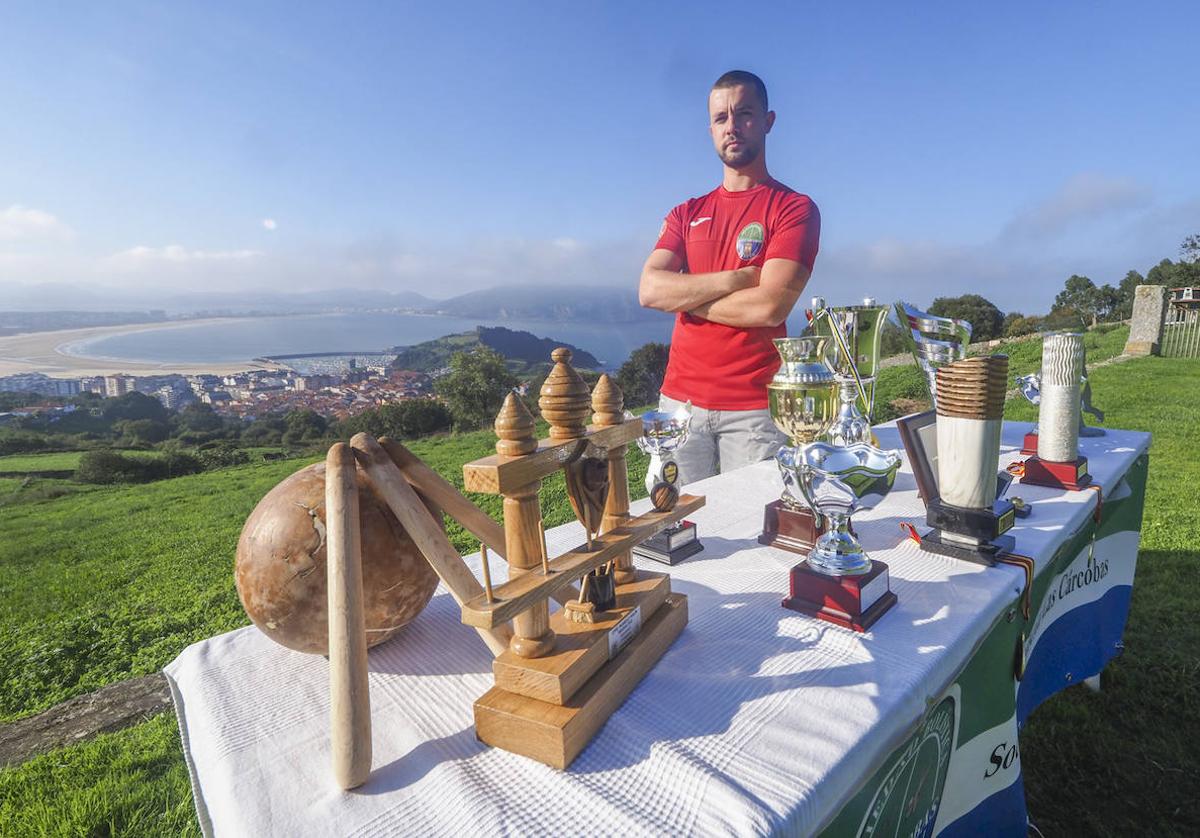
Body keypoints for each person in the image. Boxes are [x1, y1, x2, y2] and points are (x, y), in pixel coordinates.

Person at [638, 69, 821, 486]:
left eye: (744, 114)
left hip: (753, 408)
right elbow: (650, 290)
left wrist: (684, 295)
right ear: (710, 129)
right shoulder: (685, 212)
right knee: (674, 528)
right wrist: (737, 278)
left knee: (754, 529)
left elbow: (769, 306)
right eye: (721, 118)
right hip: (678, 404)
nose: (732, 127)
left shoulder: (794, 209)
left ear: (768, 121)